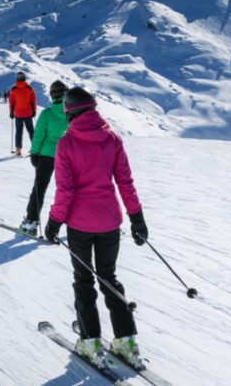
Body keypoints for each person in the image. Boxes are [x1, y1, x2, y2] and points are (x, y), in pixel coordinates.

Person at [44, 87, 148, 368]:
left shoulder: (67, 143)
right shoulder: (111, 138)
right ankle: (126, 340)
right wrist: (137, 218)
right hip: (109, 222)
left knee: (83, 280)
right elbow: (125, 182)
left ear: (70, 112)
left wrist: (54, 222)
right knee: (108, 277)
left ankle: (91, 341)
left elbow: (65, 190)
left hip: (79, 224)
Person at [19, 81, 69, 236]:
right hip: (67, 156)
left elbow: (38, 136)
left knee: (39, 188)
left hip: (47, 155)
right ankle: (78, 223)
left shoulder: (47, 113)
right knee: (69, 190)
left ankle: (31, 222)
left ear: (52, 95)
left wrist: (34, 153)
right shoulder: (72, 114)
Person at [8, 71, 37, 156]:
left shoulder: (13, 90)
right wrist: (34, 111)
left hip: (18, 114)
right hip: (28, 113)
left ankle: (18, 149)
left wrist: (11, 112)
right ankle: (35, 148)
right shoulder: (30, 89)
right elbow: (33, 101)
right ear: (24, 78)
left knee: (19, 132)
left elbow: (11, 103)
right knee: (31, 131)